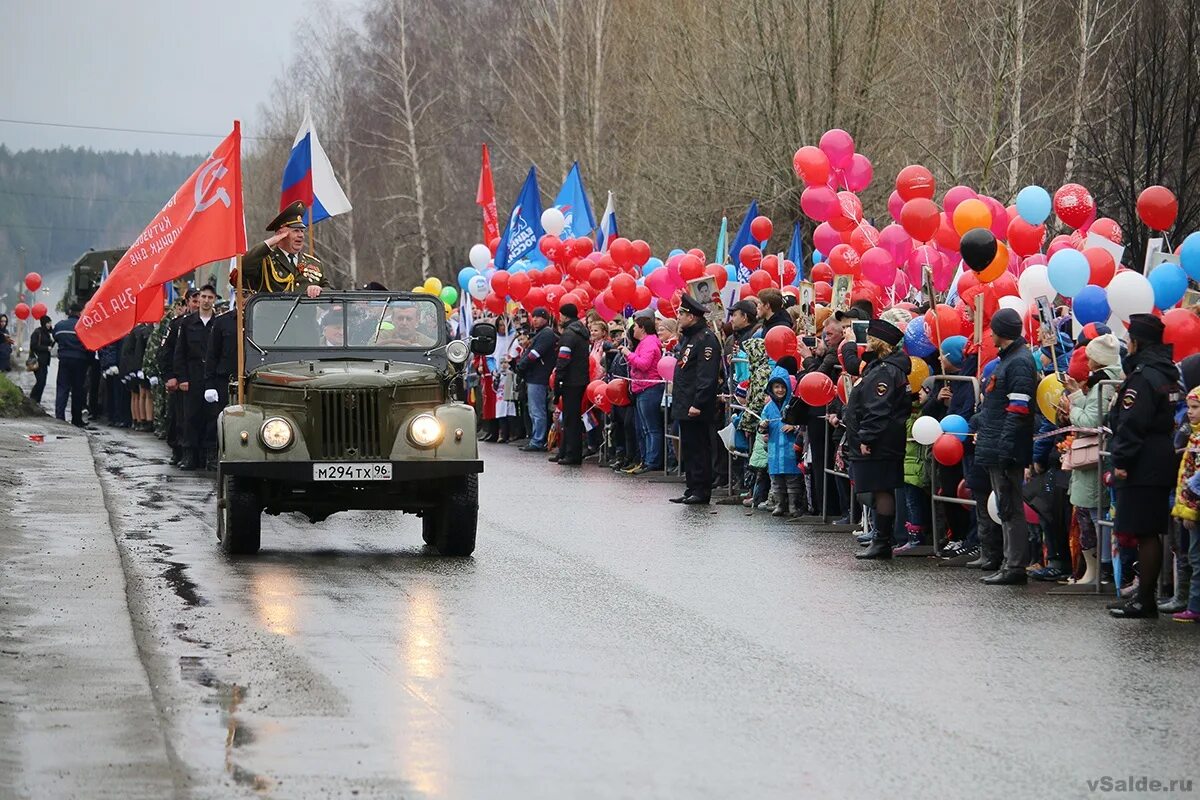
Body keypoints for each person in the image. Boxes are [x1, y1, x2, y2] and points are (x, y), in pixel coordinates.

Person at [1106, 313, 1180, 618]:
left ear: (1137, 342)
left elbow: (1133, 422)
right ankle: (1143, 595)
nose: (1126, 344)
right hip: (1159, 454)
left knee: (1145, 531)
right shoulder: (1166, 373)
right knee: (1147, 529)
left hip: (1143, 458)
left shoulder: (1144, 377)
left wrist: (1122, 460)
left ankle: (1144, 600)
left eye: (1129, 339)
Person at [972, 308, 1037, 584]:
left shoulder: (1018, 362)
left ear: (1000, 332)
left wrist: (1006, 444)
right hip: (998, 440)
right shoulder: (1010, 359)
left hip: (1005, 445)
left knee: (1010, 507)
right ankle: (1011, 563)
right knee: (1005, 504)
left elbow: (1018, 408)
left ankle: (1014, 566)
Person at [842, 319, 912, 559]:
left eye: (871, 338)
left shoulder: (886, 371)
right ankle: (881, 536)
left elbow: (878, 408)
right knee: (874, 489)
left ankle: (882, 540)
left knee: (880, 490)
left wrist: (867, 437)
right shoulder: (881, 367)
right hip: (883, 438)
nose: (866, 343)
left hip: (881, 440)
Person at [1060, 333, 1123, 584]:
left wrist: (1072, 405)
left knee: (1090, 516)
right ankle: (1096, 571)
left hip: (1095, 459)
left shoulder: (1103, 384)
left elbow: (1090, 421)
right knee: (1094, 516)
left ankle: (1095, 572)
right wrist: (1077, 396)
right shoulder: (1108, 381)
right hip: (1098, 458)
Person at [669, 293, 720, 505]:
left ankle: (701, 489)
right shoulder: (690, 338)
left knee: (699, 448)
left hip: (695, 405)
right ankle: (691, 487)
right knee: (689, 448)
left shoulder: (706, 338)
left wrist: (698, 403)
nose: (679, 316)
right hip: (684, 402)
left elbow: (705, 376)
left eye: (682, 313)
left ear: (692, 316)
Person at [240, 201, 329, 296]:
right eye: (295, 231)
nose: (301, 235)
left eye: (302, 231)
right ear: (280, 234)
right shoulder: (265, 261)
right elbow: (245, 264)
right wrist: (272, 241)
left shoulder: (314, 264)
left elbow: (331, 292)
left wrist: (320, 290)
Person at [173, 285, 219, 471]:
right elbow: (180, 353)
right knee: (190, 417)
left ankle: (210, 456)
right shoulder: (187, 323)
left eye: (210, 297)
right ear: (198, 299)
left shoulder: (218, 322)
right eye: (203, 297)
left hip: (212, 377)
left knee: (212, 417)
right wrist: (182, 377)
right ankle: (189, 455)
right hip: (192, 375)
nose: (206, 300)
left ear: (214, 299)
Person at [1169, 387, 1200, 622]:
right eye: (1189, 407)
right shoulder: (1194, 436)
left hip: (1195, 508)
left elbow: (1196, 480)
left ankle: (1195, 605)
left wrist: (1189, 510)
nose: (1190, 413)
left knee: (1196, 557)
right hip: (1189, 504)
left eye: (1195, 408)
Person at [622, 314, 664, 473]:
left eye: (636, 327)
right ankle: (646, 459)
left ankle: (652, 461)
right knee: (644, 428)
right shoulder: (644, 343)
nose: (633, 329)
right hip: (641, 387)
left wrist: (628, 354)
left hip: (649, 388)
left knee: (651, 428)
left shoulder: (649, 344)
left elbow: (644, 364)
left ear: (643, 329)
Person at [760, 366, 803, 517]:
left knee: (792, 480)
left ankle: (793, 505)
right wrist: (763, 426)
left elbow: (801, 424)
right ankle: (779, 504)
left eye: (782, 387)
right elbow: (761, 427)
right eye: (776, 387)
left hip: (790, 449)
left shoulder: (793, 405)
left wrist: (793, 426)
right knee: (776, 480)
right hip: (774, 450)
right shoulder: (768, 407)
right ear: (771, 388)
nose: (779, 390)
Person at [552, 303, 590, 466]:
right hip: (579, 378)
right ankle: (564, 451)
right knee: (570, 417)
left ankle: (572, 454)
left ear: (564, 316)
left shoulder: (568, 334)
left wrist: (558, 378)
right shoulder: (580, 332)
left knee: (570, 419)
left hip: (570, 380)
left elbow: (563, 358)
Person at [514, 307, 557, 452]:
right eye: (534, 316)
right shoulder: (539, 334)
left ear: (546, 318)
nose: (535, 319)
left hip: (539, 376)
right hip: (533, 376)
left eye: (539, 317)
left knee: (537, 411)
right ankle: (535, 437)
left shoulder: (546, 334)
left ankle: (538, 440)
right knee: (533, 410)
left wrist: (521, 365)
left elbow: (534, 354)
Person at [53, 303, 92, 427]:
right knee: (77, 390)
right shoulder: (85, 326)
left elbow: (56, 338)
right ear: (80, 312)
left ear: (69, 311)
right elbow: (89, 344)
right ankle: (76, 419)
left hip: (64, 360)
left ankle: (59, 417)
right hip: (80, 361)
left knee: (62, 388)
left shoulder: (60, 326)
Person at [28, 315, 54, 403]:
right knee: (40, 381)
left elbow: (51, 344)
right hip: (38, 361)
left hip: (45, 361)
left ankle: (37, 400)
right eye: (48, 323)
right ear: (44, 323)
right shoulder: (37, 332)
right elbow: (33, 346)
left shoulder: (48, 333)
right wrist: (46, 348)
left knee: (43, 382)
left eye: (50, 323)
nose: (49, 325)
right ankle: (33, 399)